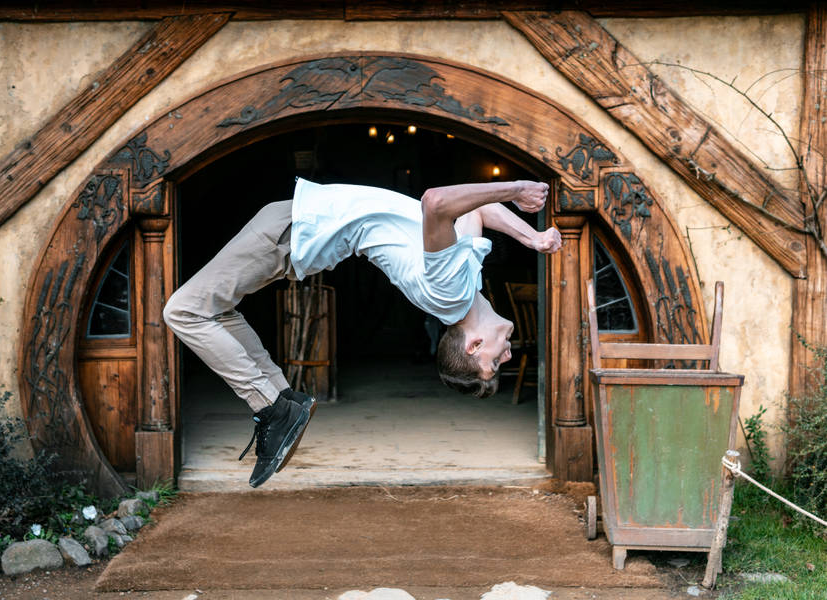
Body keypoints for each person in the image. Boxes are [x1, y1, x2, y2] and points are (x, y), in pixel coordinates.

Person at [163, 177, 562, 488]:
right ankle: (281, 400)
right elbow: (478, 207)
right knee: (210, 311)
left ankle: (273, 405)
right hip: (292, 231)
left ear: (473, 346)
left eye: (496, 363)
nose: (508, 355)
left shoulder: (451, 292)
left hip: (292, 231)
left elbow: (436, 201)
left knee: (183, 312)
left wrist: (517, 189)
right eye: (501, 363)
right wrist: (534, 238)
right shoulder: (463, 286)